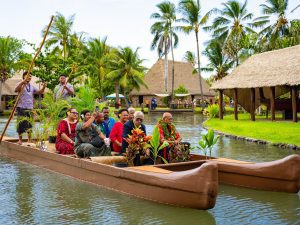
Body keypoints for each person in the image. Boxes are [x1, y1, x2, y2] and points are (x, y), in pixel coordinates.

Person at [15, 71, 47, 145]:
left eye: (30, 76)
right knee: (20, 123)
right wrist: (23, 82)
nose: (29, 77)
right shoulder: (20, 84)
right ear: (24, 76)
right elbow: (16, 90)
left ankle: (29, 139)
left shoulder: (31, 86)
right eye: (28, 76)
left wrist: (44, 87)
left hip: (30, 107)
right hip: (21, 107)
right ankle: (20, 140)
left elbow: (40, 92)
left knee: (30, 123)